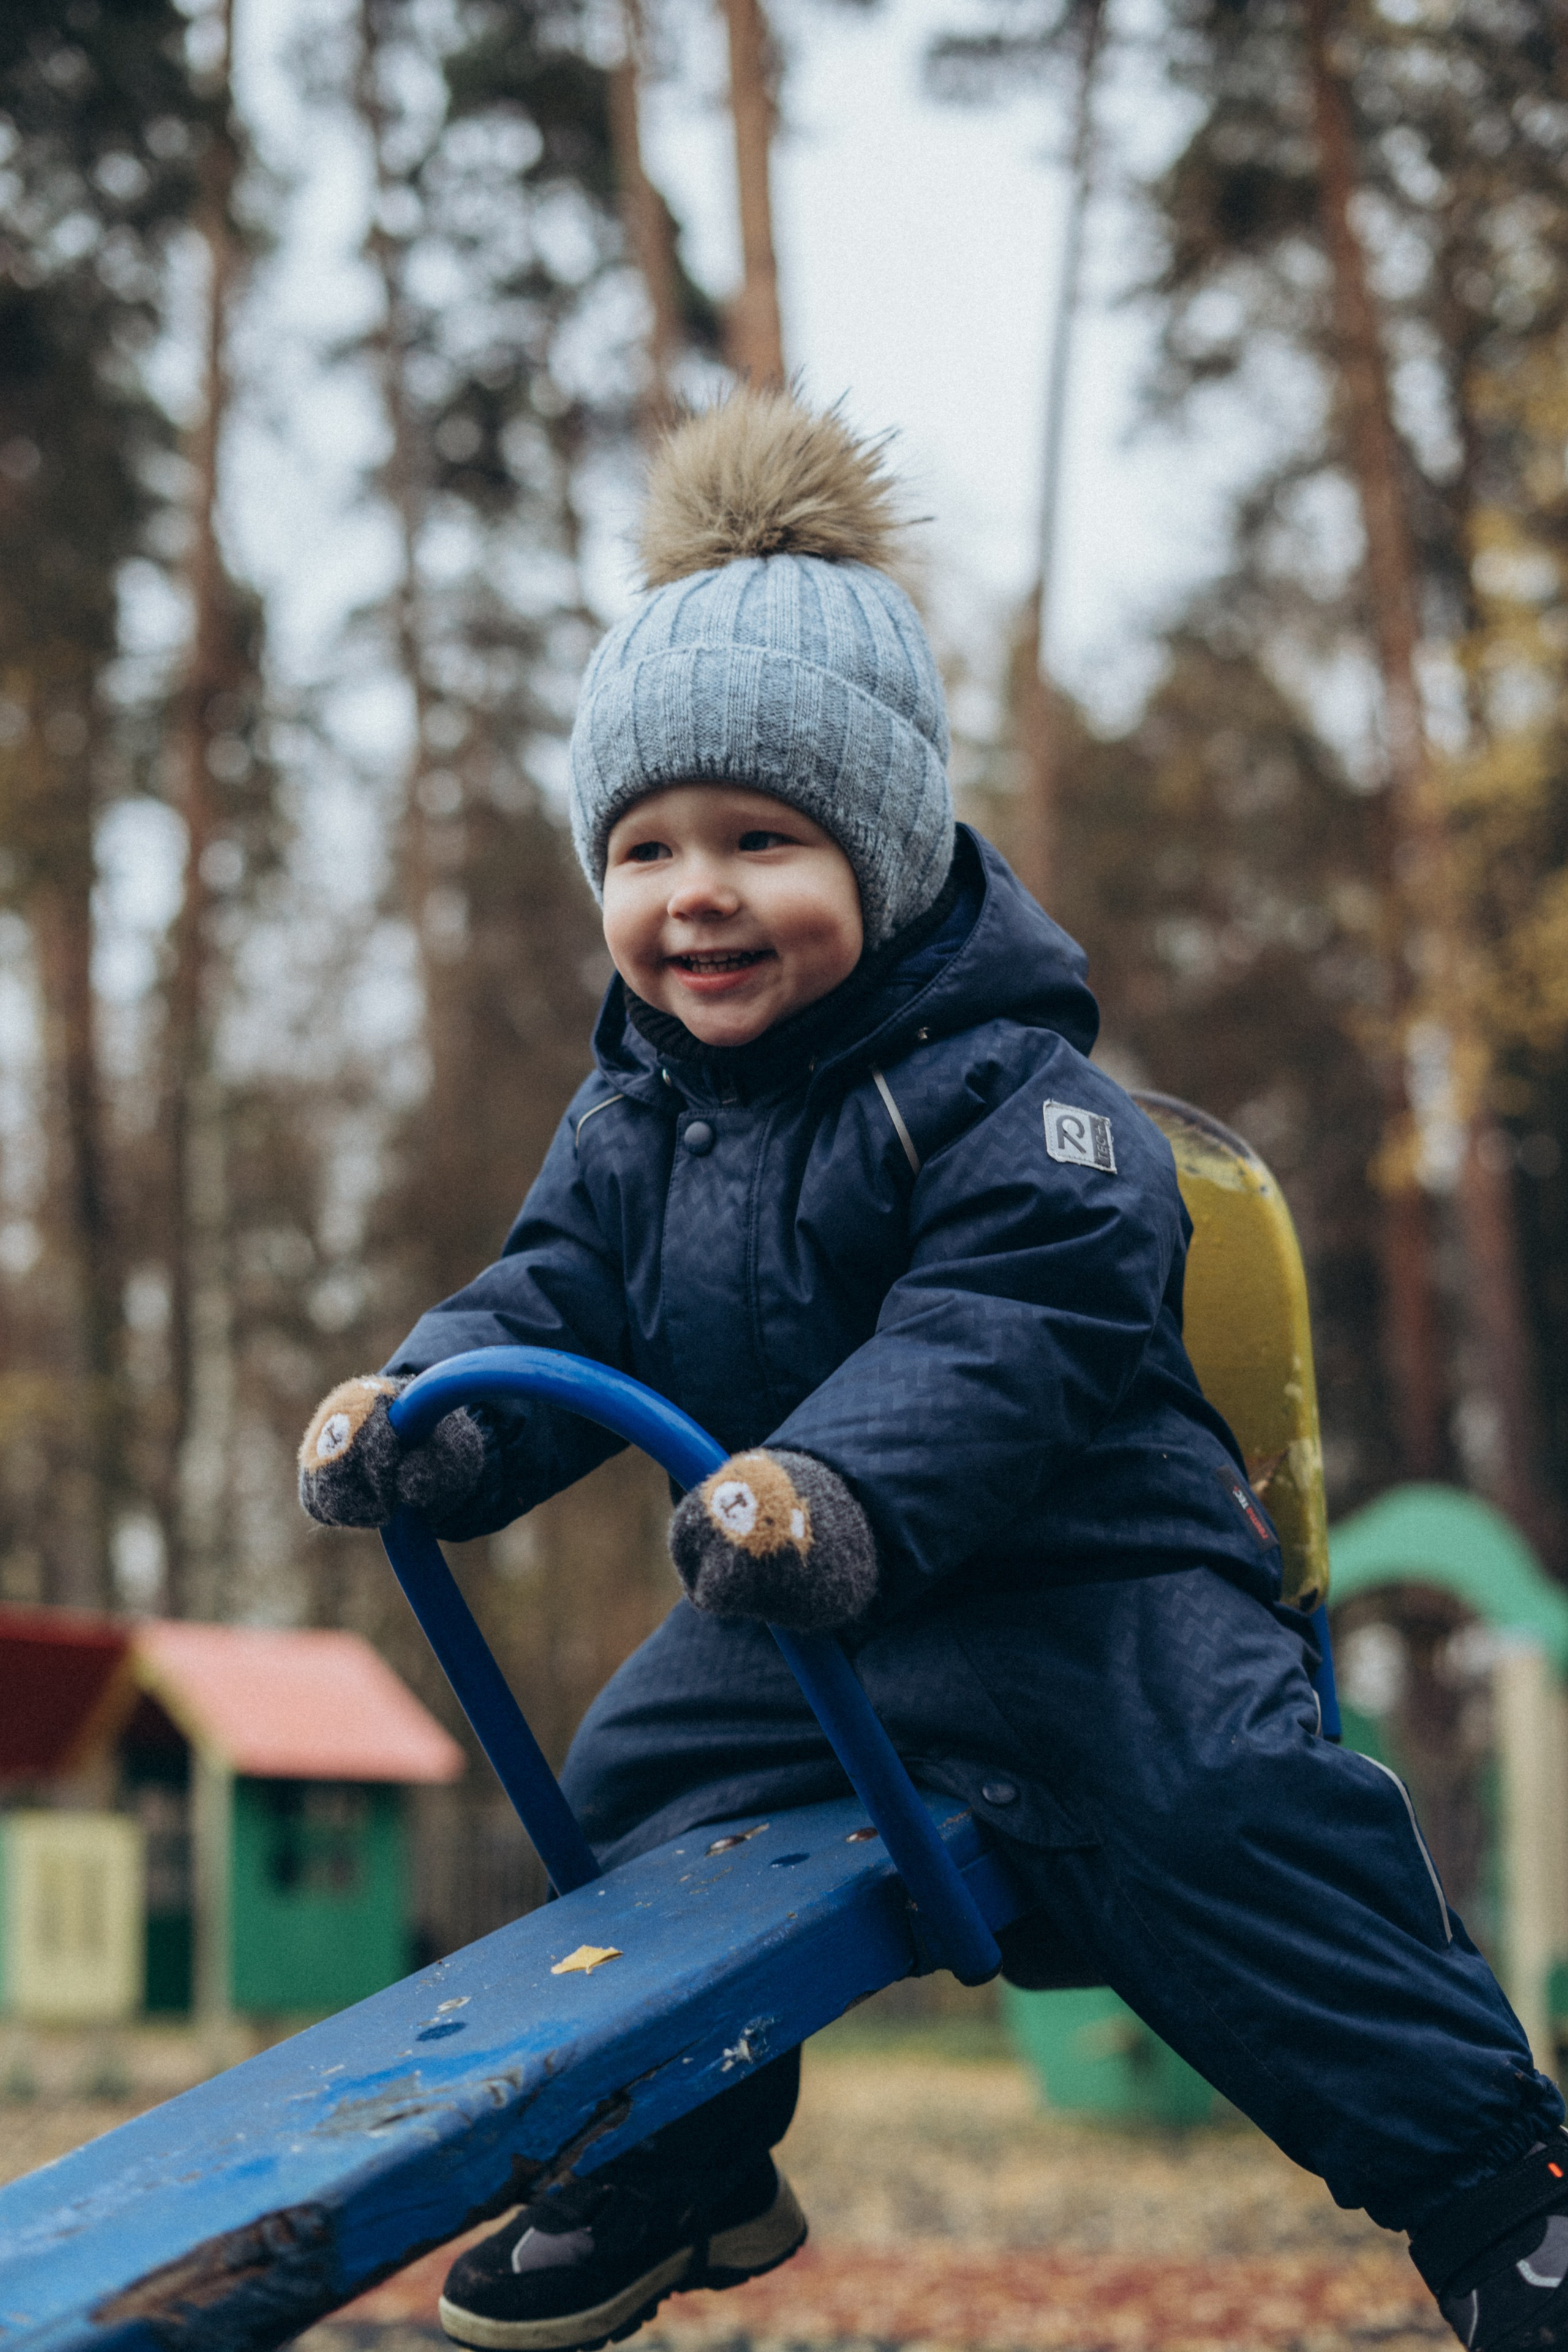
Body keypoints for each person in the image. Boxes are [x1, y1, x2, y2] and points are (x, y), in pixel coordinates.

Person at [298, 390, 1568, 2352]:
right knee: (635, 1778)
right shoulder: (628, 1124)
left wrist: (840, 1494)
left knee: (1238, 1804)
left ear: (885, 857)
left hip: (1091, 1582)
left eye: (760, 838)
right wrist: (428, 1420)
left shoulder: (1016, 1104)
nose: (693, 892)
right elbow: (544, 1298)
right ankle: (683, 2152)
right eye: (644, 848)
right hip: (807, 1627)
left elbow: (1006, 1336)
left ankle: (1500, 2186)